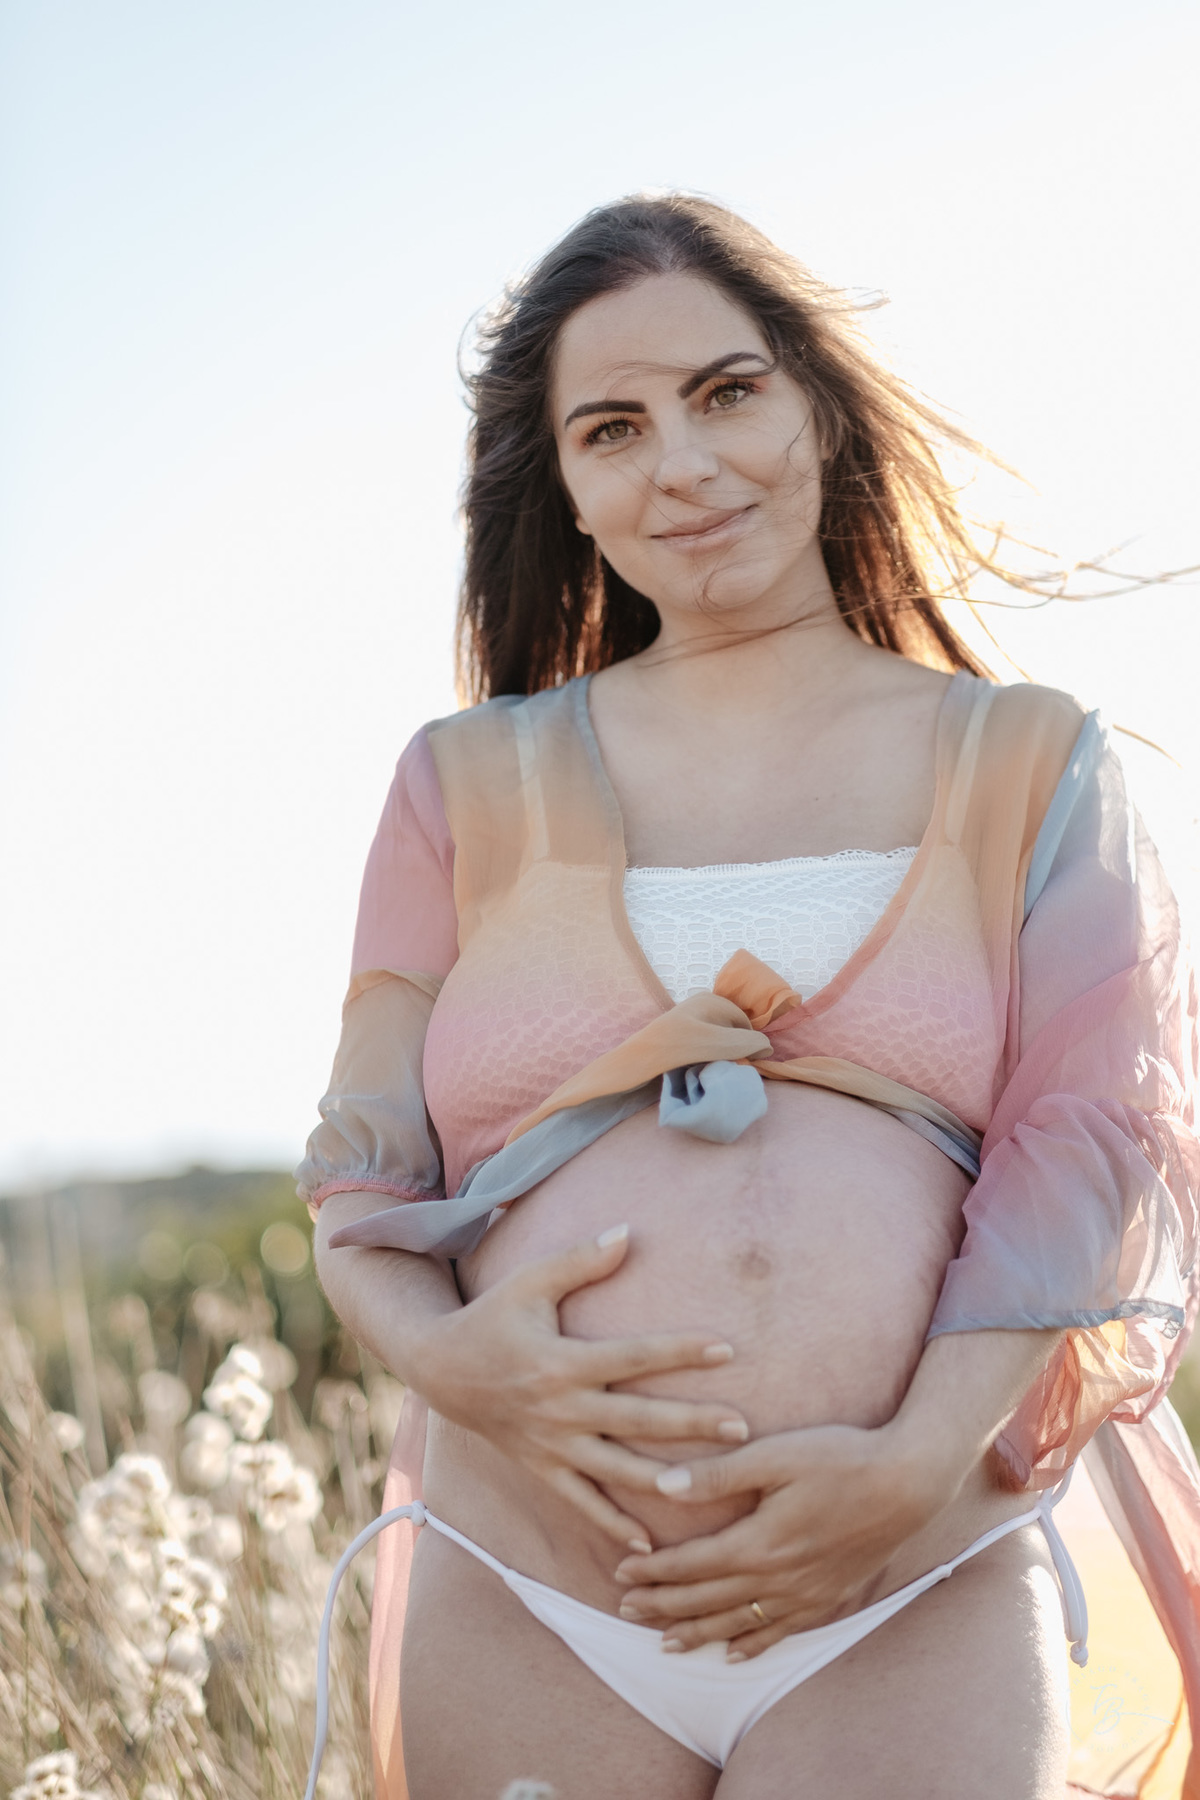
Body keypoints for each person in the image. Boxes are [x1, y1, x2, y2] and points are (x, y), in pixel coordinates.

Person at [299, 195, 1200, 1800]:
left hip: (907, 1576)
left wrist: (913, 1462)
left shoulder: (1032, 760)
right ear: (567, 488)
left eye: (728, 393)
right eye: (614, 429)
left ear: (820, 409)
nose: (686, 464)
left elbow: (1092, 1147)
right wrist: (451, 1365)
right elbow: (359, 1185)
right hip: (530, 1592)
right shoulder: (460, 785)